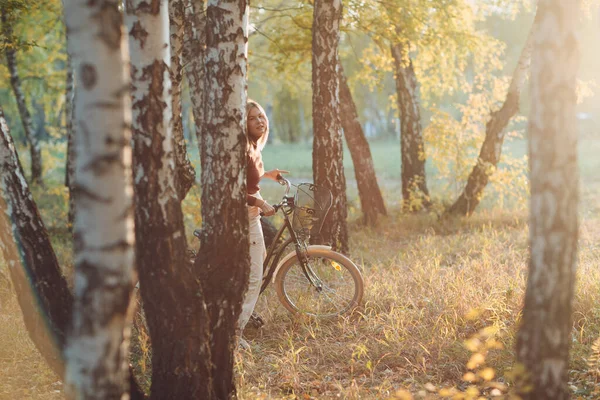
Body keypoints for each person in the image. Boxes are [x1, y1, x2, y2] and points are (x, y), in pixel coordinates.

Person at [238, 99, 288, 347]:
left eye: (261, 116)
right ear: (242, 123)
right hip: (242, 220)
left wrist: (268, 174)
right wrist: (259, 203)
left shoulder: (253, 147)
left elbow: (249, 179)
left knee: (253, 267)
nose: (259, 120)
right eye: (252, 117)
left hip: (251, 217)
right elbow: (233, 190)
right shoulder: (243, 148)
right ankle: (233, 334)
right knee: (254, 278)